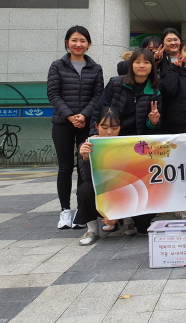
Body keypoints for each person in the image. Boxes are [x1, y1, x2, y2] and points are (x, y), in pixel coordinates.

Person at [47, 26, 104, 230]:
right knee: (64, 167)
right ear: (67, 43)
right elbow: (53, 94)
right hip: (62, 123)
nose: (78, 44)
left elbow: (98, 95)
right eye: (74, 40)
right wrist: (70, 116)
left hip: (85, 124)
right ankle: (65, 211)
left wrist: (84, 115)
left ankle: (82, 210)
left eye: (82, 41)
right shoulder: (57, 66)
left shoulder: (95, 68)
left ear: (89, 44)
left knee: (84, 167)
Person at [75, 106, 157, 244]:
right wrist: (85, 158)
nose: (109, 132)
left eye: (114, 128)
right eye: (104, 127)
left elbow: (134, 179)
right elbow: (87, 178)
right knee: (84, 189)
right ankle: (92, 229)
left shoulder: (128, 145)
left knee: (144, 225)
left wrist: (118, 212)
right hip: (103, 193)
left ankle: (127, 220)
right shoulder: (88, 145)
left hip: (127, 193)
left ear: (120, 128)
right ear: (96, 126)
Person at [90, 48, 162, 136]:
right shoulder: (115, 83)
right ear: (131, 65)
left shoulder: (154, 92)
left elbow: (154, 125)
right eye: (137, 62)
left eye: (146, 62)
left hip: (138, 139)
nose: (142, 66)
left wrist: (153, 122)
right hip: (113, 136)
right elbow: (99, 110)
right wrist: (94, 133)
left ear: (152, 66)